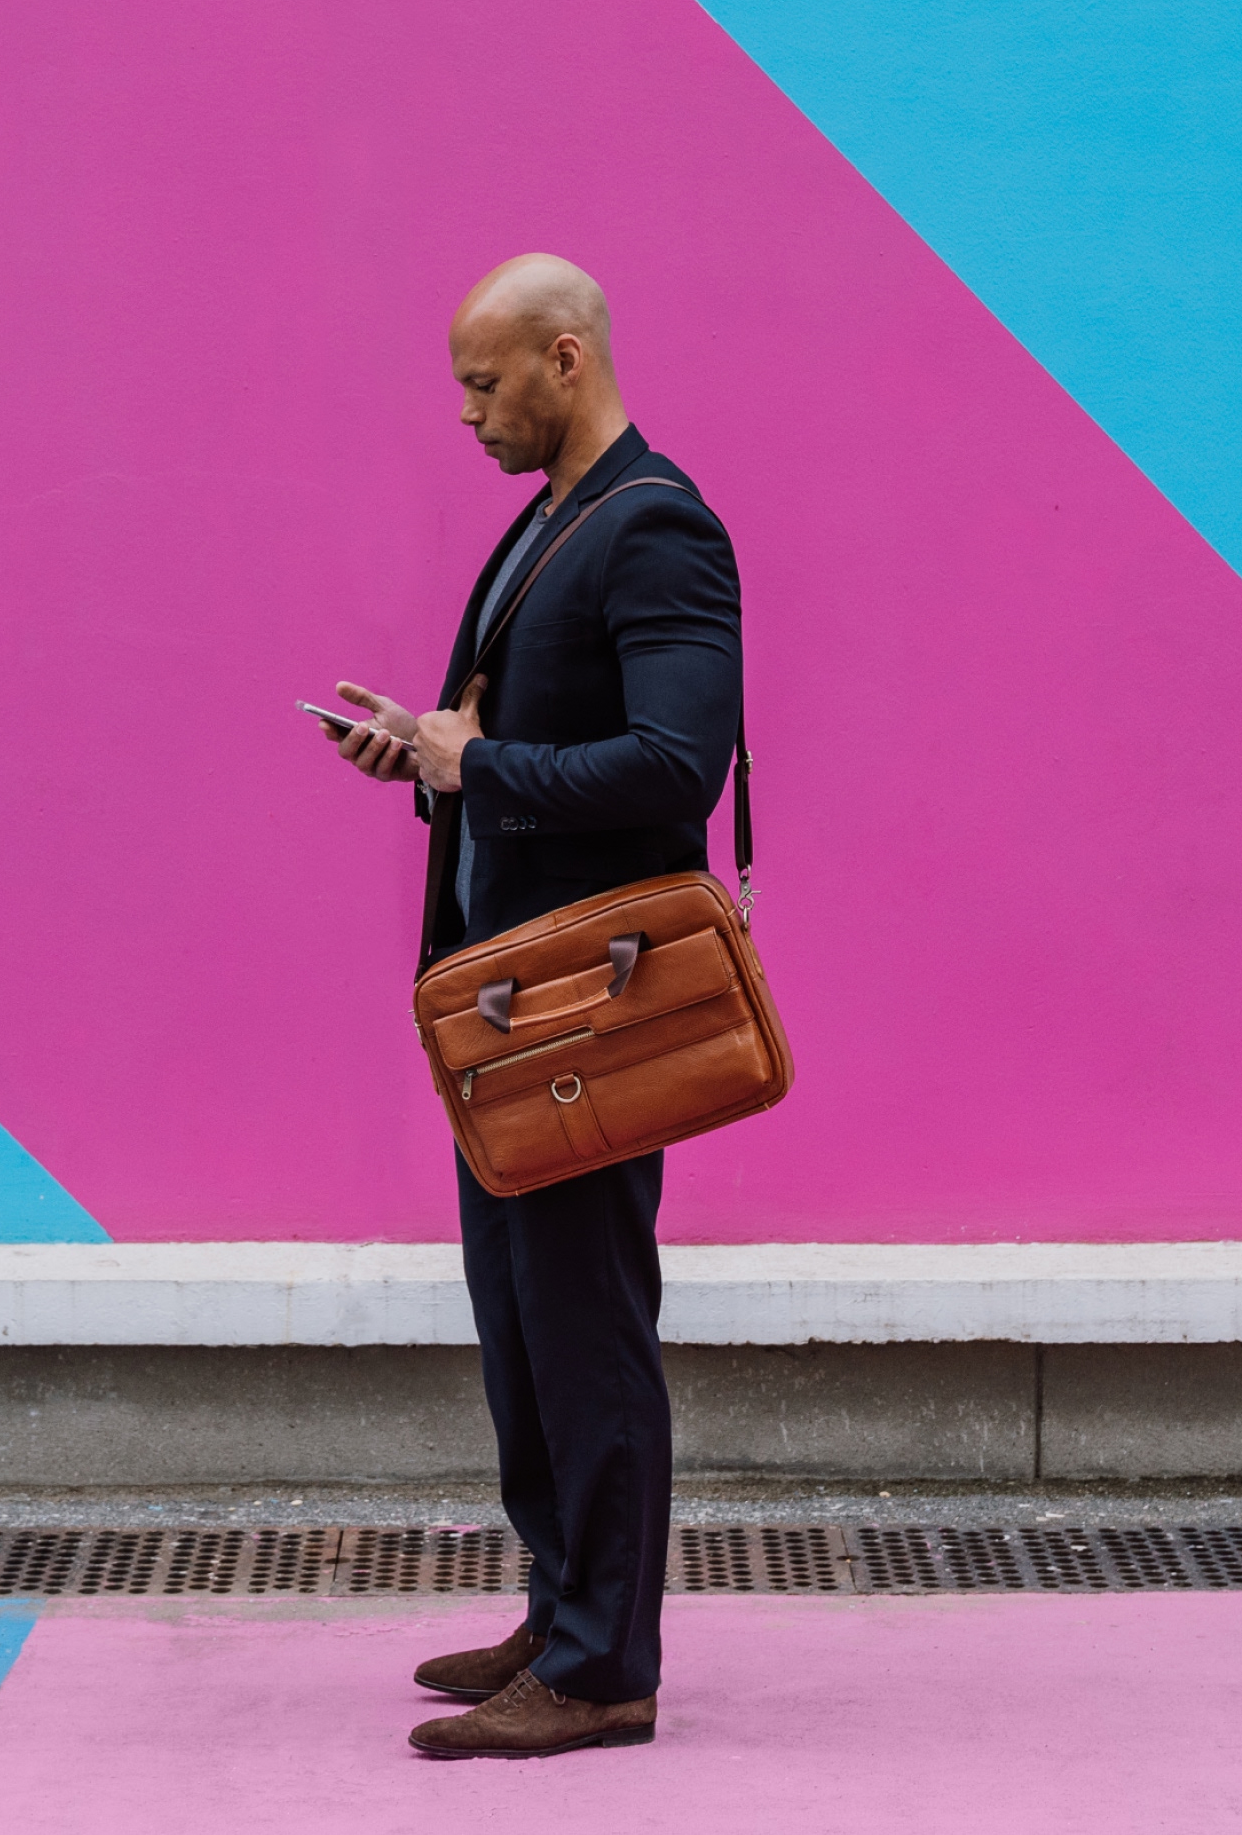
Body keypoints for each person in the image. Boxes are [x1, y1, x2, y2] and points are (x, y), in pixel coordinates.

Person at [329, 253, 742, 1761]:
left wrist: (479, 767)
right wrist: (431, 753)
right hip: (505, 1008)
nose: (468, 411)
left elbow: (676, 765)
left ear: (567, 359)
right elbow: (518, 744)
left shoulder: (658, 527)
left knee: (586, 1323)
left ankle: (604, 1668)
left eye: (486, 381)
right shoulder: (547, 525)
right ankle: (564, 1607)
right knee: (518, 1321)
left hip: (589, 1009)